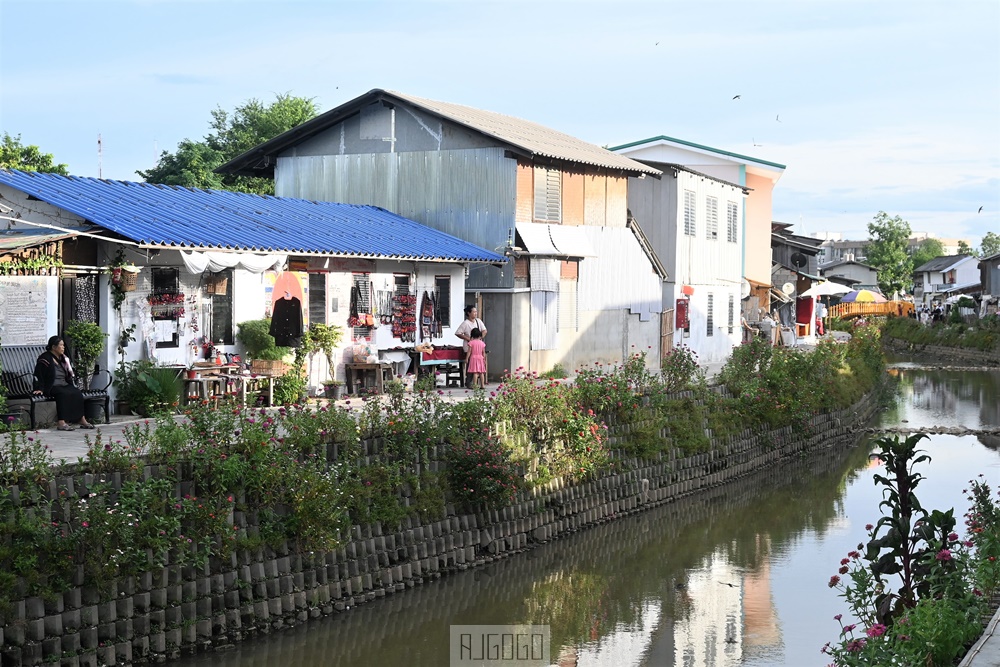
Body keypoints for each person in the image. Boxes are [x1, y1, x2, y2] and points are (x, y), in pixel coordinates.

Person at [33, 335, 95, 431]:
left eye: (63, 345)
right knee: (62, 394)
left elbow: (68, 374)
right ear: (54, 347)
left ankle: (81, 419)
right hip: (52, 385)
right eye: (61, 345)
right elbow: (39, 374)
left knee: (77, 392)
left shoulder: (64, 358)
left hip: (63, 383)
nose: (63, 347)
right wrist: (40, 388)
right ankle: (61, 422)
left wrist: (70, 383)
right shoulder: (45, 358)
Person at [455, 305, 487, 387]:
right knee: (470, 365)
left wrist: (479, 338)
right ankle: (468, 382)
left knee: (477, 367)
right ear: (469, 313)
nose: (475, 313)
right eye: (474, 312)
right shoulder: (465, 323)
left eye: (476, 312)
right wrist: (469, 339)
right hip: (469, 346)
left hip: (478, 347)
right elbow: (458, 333)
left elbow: (484, 330)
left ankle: (476, 383)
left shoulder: (478, 321)